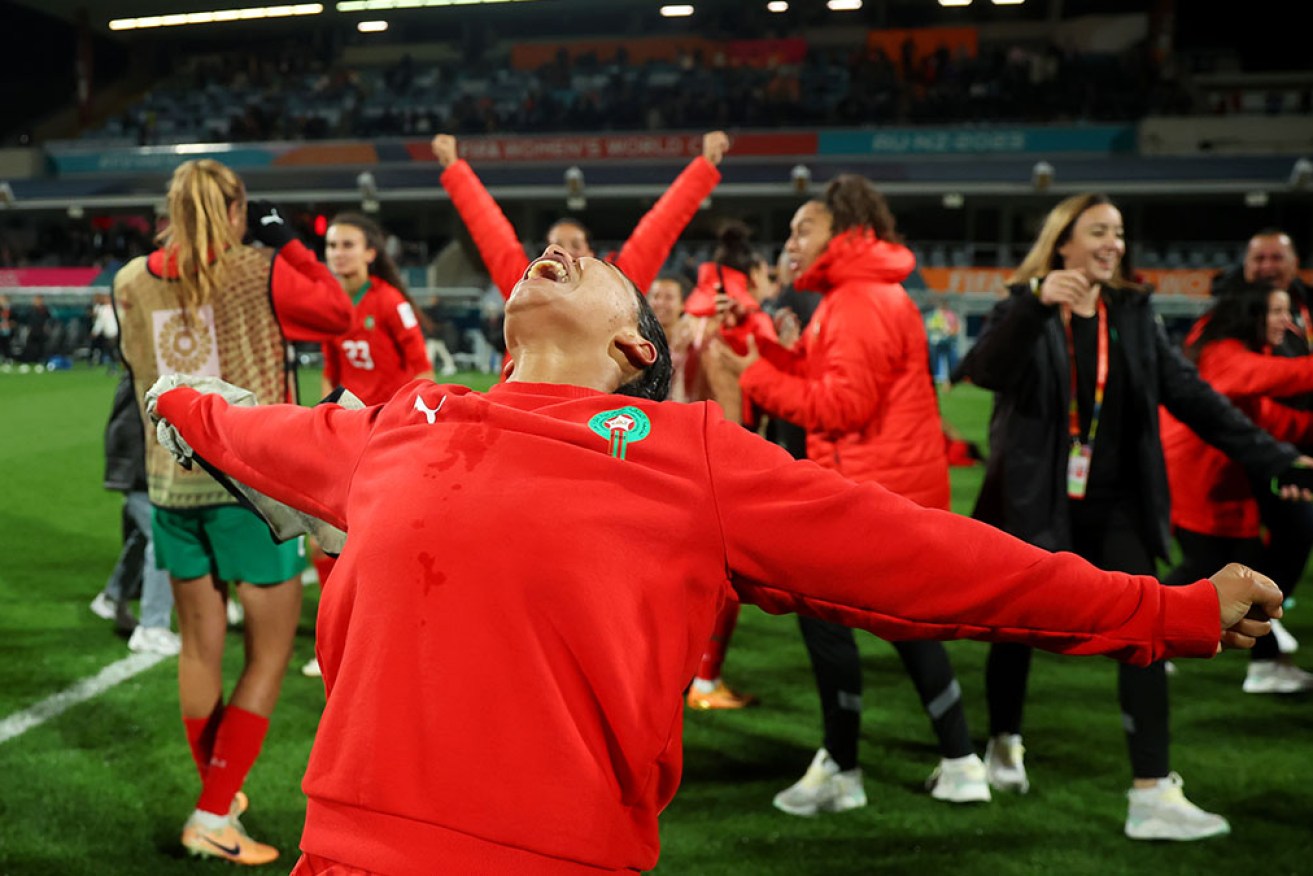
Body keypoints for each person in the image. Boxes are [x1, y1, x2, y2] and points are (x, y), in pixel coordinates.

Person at [148, 242, 1284, 876]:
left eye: (587, 264)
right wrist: (173, 394)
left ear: (636, 345)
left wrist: (1163, 612)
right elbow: (242, 429)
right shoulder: (402, 422)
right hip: (339, 853)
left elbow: (932, 559)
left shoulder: (684, 454)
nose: (560, 248)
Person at [957, 193, 1311, 841]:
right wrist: (1035, 305)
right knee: (1014, 630)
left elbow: (1194, 398)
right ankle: (1002, 746)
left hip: (1116, 502)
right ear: (1062, 241)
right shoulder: (1025, 304)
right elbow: (983, 371)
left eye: (1118, 232)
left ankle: (1149, 792)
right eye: (1097, 231)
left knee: (1144, 629)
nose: (1112, 243)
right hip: (1034, 503)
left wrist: (1278, 459)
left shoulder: (1132, 311)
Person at [716, 175, 991, 811]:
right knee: (906, 626)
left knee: (822, 621)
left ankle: (843, 770)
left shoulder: (860, 300)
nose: (789, 242)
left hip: (873, 494)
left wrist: (750, 371)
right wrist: (753, 339)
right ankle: (960, 761)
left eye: (801, 229)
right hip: (890, 489)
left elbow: (840, 406)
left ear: (841, 230)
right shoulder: (858, 293)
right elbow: (817, 374)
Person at [112, 157, 353, 865]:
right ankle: (213, 813)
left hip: (171, 482)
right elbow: (337, 314)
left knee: (197, 648)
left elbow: (137, 375)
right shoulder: (258, 269)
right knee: (270, 654)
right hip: (251, 486)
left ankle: (217, 791)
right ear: (239, 208)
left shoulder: (130, 279)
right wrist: (292, 245)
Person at [1160, 280, 1313, 693]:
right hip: (1200, 473)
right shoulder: (1224, 352)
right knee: (1206, 564)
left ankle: (1262, 662)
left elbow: (1269, 415)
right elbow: (1274, 380)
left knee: (1243, 564)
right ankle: (1147, 634)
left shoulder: (1246, 354)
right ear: (1253, 315)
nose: (1288, 322)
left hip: (1226, 474)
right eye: (1279, 312)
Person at [303, 211, 437, 677]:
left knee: (382, 542)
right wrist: (323, 415)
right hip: (348, 432)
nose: (338, 253)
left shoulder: (390, 301)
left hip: (391, 433)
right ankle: (337, 635)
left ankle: (389, 633)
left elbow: (422, 369)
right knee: (322, 538)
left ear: (370, 253)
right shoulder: (330, 304)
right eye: (332, 246)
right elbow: (330, 367)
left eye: (347, 245)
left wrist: (413, 428)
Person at [431, 130, 729, 300]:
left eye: (575, 245)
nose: (563, 251)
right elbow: (489, 229)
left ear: (591, 252)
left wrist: (705, 166)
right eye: (555, 244)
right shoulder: (523, 287)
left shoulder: (618, 287)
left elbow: (660, 227)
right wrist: (453, 166)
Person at [679, 219, 778, 711]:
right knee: (727, 579)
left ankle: (681, 677)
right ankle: (703, 681)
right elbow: (770, 377)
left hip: (677, 446)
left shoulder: (689, 310)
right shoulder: (746, 314)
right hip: (726, 452)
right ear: (754, 270)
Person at [1212, 229, 1312, 657]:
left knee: (1289, 531)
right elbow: (1250, 383)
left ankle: (1264, 646)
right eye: (1260, 259)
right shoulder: (1224, 325)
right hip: (1221, 465)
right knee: (1215, 556)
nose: (1268, 266)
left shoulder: (1295, 315)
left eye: (1277, 258)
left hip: (1263, 455)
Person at [89, 373, 182, 655]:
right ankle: (152, 627)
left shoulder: (141, 373)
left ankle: (112, 597)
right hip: (139, 470)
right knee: (163, 537)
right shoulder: (147, 374)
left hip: (134, 468)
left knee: (144, 537)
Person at [925, 296, 961, 385]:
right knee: (934, 360)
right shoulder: (933, 315)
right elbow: (928, 326)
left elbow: (956, 328)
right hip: (935, 342)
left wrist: (950, 331)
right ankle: (934, 376)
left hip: (948, 341)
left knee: (951, 359)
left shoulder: (951, 315)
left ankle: (951, 377)